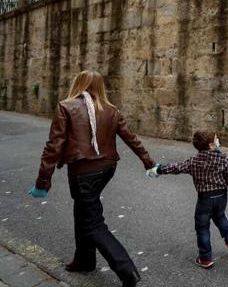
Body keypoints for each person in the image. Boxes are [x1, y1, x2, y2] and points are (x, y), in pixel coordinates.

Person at [28, 70, 159, 287]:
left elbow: (54, 147)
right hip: (106, 169)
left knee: (93, 222)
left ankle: (127, 271)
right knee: (83, 211)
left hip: (83, 173)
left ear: (78, 84)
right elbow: (132, 139)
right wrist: (149, 163)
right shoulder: (111, 110)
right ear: (100, 87)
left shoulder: (66, 106)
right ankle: (85, 260)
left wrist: (43, 182)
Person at [146, 131, 228, 269]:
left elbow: (176, 167)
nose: (218, 140)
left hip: (205, 199)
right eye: (216, 139)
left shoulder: (194, 161)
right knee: (220, 216)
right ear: (211, 145)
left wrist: (159, 170)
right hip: (221, 196)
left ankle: (206, 258)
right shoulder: (222, 159)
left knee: (202, 228)